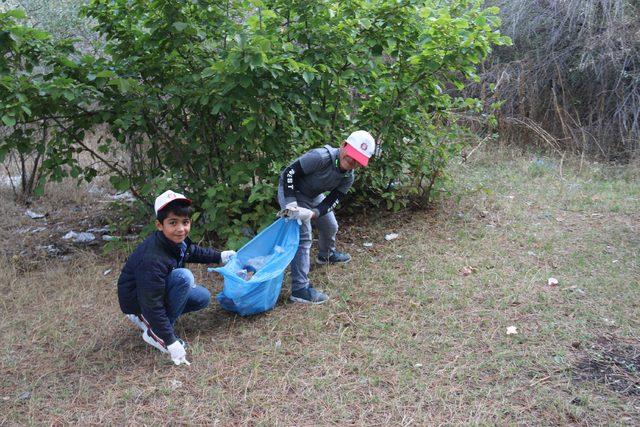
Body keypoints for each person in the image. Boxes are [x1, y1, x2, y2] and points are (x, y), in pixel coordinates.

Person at [117, 190, 236, 365]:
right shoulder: (152, 258)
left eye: (185, 222)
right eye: (173, 223)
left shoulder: (178, 241)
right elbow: (151, 302)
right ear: (159, 225)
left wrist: (220, 256)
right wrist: (170, 341)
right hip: (139, 301)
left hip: (153, 293)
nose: (180, 229)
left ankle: (153, 322)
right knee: (183, 277)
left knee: (202, 298)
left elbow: (193, 251)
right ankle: (155, 332)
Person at [278, 130, 376, 304]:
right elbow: (289, 173)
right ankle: (299, 289)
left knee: (331, 226)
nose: (352, 161)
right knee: (303, 236)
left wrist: (314, 213)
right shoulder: (320, 157)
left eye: (358, 160)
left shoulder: (348, 177)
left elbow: (332, 201)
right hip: (292, 190)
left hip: (313, 195)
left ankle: (326, 255)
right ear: (343, 145)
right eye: (351, 154)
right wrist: (292, 204)